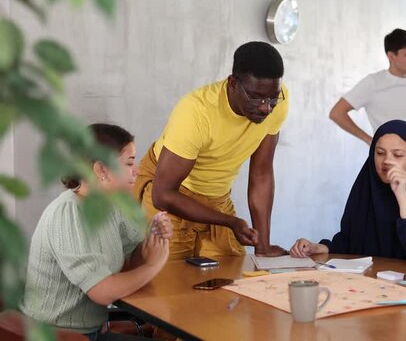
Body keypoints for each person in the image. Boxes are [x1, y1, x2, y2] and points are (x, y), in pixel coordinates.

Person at [134, 41, 290, 258]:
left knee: (232, 278)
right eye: (256, 97)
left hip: (217, 199)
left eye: (272, 98)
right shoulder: (196, 112)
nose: (266, 107)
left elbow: (261, 173)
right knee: (170, 283)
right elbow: (163, 194)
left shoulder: (278, 103)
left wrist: (262, 244)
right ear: (233, 84)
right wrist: (230, 221)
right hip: (172, 196)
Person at [21, 123, 173, 340]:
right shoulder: (69, 213)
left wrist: (154, 239)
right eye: (129, 162)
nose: (137, 169)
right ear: (101, 169)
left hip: (91, 332)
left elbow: (132, 261)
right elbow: (102, 291)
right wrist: (154, 264)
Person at [290, 120, 406, 260]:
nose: (387, 161)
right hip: (368, 280)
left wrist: (401, 195)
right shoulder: (366, 185)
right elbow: (349, 242)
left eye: (397, 155)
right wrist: (317, 247)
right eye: (380, 153)